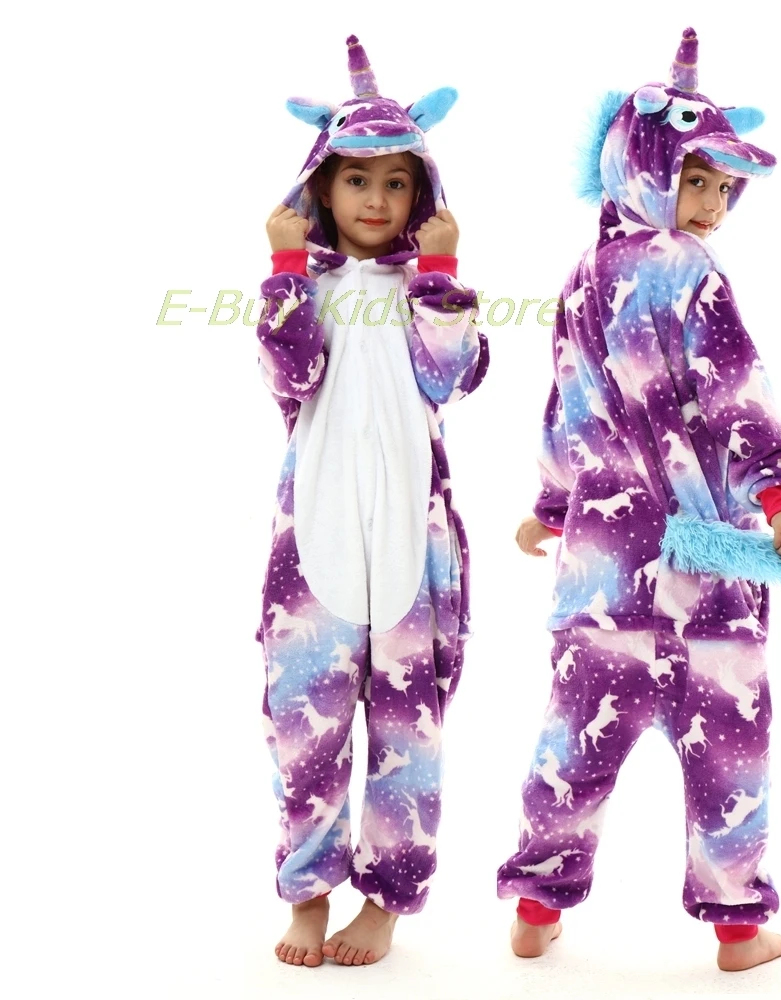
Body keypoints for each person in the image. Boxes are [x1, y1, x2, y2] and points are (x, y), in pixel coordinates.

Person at [496, 27, 781, 974]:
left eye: (725, 188)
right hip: (702, 568)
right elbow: (736, 388)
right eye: (696, 181)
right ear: (641, 169)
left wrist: (553, 507)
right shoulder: (692, 273)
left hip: (601, 573)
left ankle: (535, 907)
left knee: (573, 744)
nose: (713, 206)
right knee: (729, 746)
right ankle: (738, 929)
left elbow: (565, 404)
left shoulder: (580, 279)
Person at [254, 35, 488, 969]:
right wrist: (283, 266)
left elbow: (451, 376)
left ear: (421, 197)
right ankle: (308, 891)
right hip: (311, 538)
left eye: (397, 182)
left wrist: (440, 275)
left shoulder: (429, 288)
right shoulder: (302, 288)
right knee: (302, 723)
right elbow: (292, 373)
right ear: (321, 187)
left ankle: (386, 902)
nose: (377, 200)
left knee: (407, 730)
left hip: (411, 543)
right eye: (357, 180)